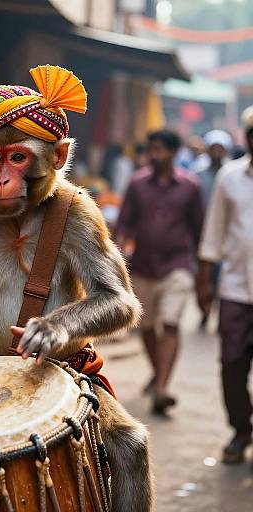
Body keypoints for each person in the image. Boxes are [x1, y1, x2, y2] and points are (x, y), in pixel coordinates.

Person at [115, 129, 205, 415]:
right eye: (152, 149)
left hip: (177, 266)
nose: (155, 154)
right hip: (142, 266)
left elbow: (199, 231)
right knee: (147, 327)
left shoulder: (190, 187)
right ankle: (158, 372)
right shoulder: (137, 185)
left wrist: (203, 276)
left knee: (170, 323)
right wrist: (116, 261)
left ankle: (163, 387)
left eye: (161, 149)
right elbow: (124, 225)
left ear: (174, 153)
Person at [197, 106, 253, 465]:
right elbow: (214, 232)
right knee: (232, 363)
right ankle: (240, 429)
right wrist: (204, 281)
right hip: (235, 289)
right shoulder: (230, 177)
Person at [196, 130, 232, 329]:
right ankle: (204, 308)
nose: (217, 152)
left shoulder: (231, 173)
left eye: (221, 148)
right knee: (203, 275)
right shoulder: (198, 173)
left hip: (227, 235)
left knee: (221, 277)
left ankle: (219, 312)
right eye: (213, 148)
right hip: (202, 233)